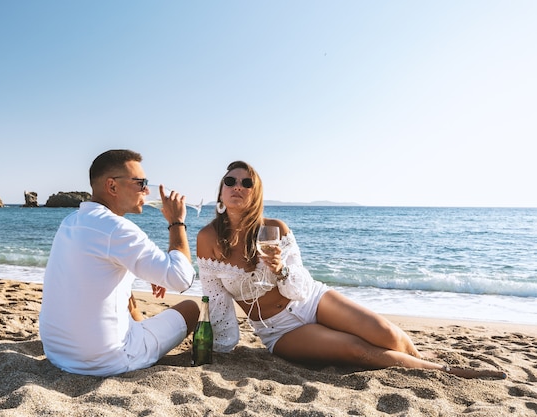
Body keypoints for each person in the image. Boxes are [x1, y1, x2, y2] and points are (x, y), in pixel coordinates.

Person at [196, 160, 506, 379]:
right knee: (357, 351)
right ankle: (444, 372)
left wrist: (280, 271)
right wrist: (219, 347)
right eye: (231, 181)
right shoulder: (207, 240)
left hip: (311, 299)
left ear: (255, 193)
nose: (238, 186)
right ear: (221, 192)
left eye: (246, 182)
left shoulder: (274, 229)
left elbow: (300, 288)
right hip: (279, 330)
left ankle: (420, 361)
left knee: (387, 334)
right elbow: (215, 301)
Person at [39, 149, 199, 377]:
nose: (146, 190)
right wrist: (176, 222)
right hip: (106, 359)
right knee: (191, 308)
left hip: (57, 352)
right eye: (140, 183)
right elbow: (182, 279)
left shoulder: (70, 221)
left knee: (125, 293)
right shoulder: (117, 228)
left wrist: (150, 273)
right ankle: (141, 339)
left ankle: (140, 328)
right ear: (112, 186)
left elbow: (97, 274)